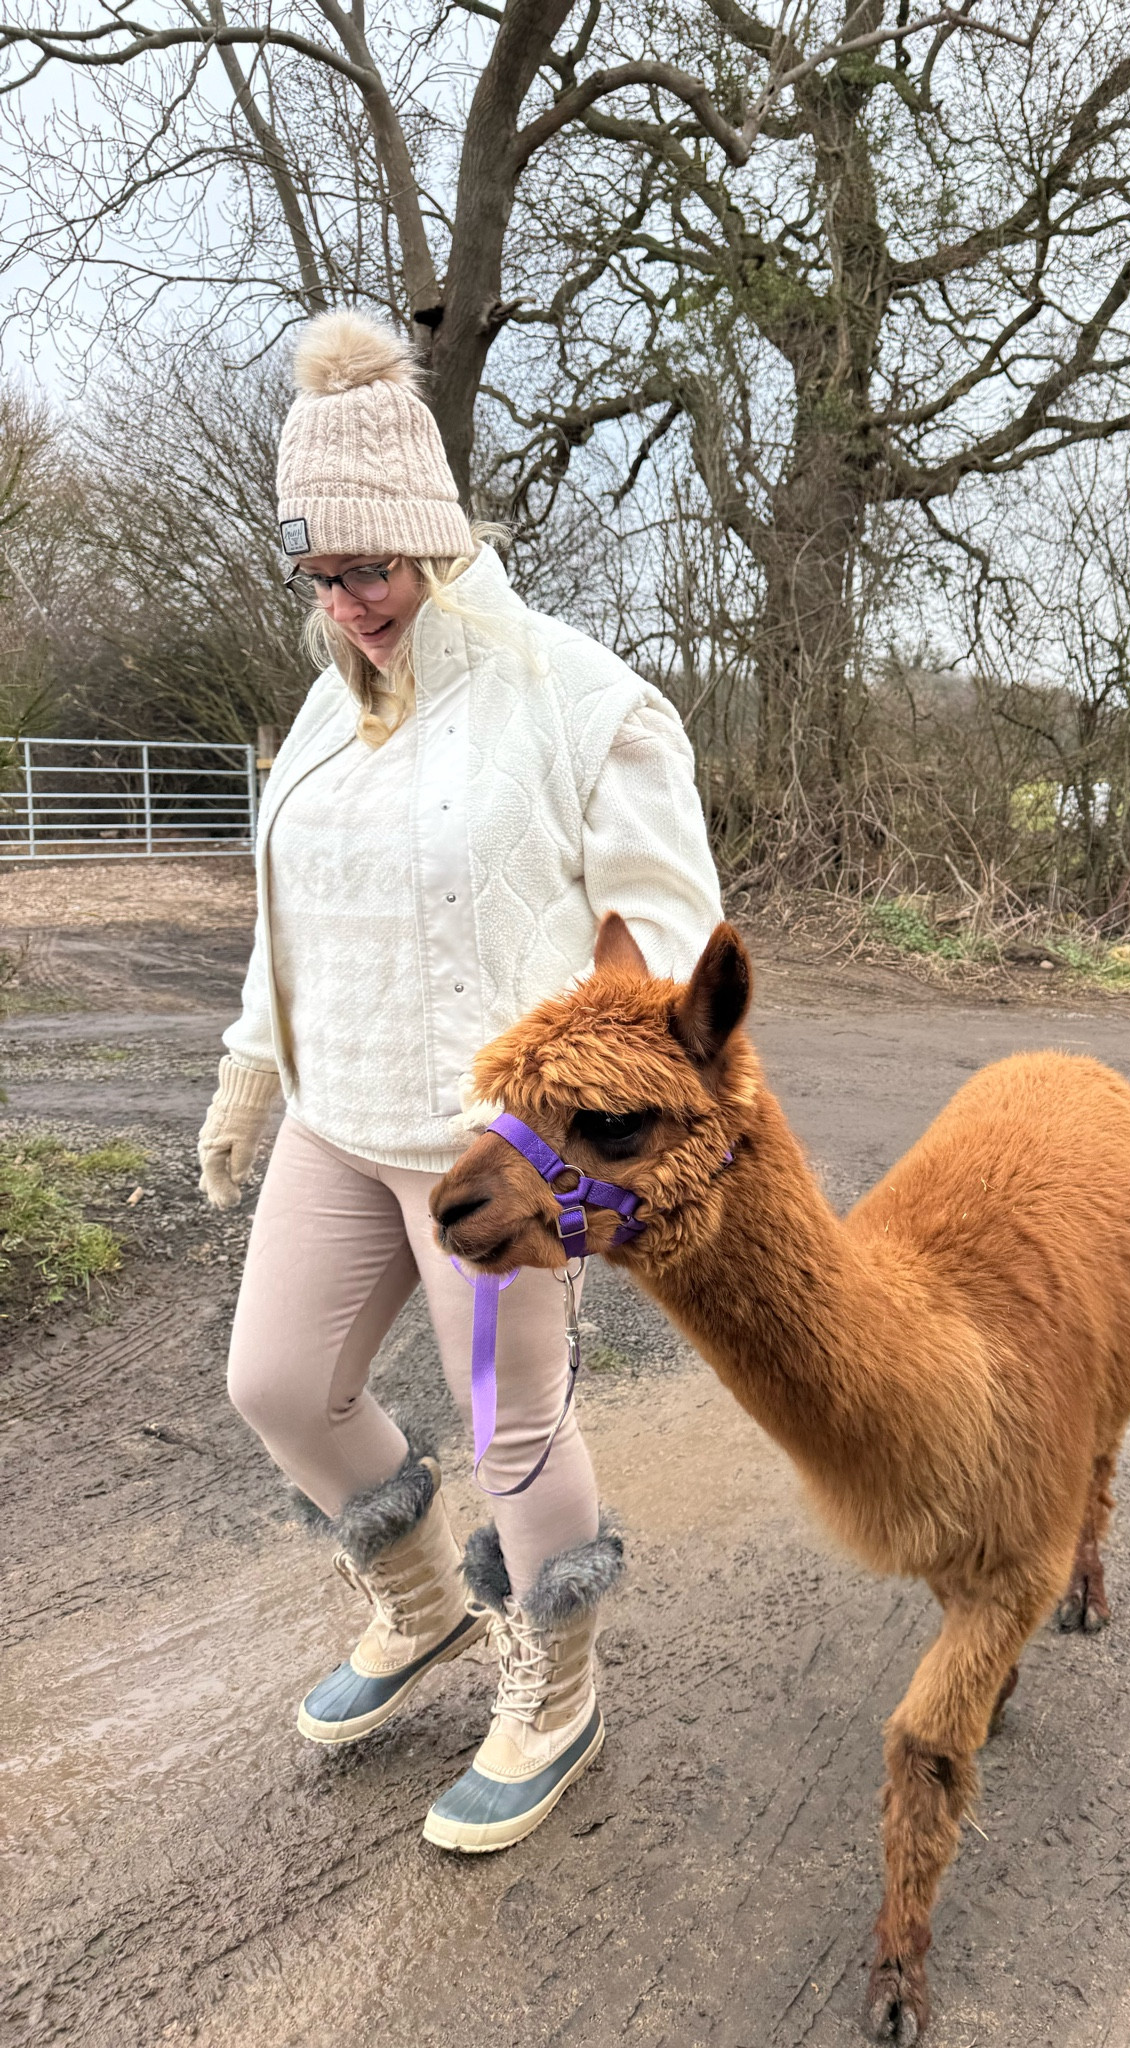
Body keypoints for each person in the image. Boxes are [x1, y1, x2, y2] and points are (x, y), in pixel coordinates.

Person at [198, 308, 721, 1853]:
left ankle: (555, 1686)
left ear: (435, 533)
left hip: (491, 1153)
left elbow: (670, 946)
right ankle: (417, 1595)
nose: (351, 604)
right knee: (277, 1384)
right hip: (336, 1113)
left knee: (514, 1431)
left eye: (372, 567)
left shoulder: (577, 700)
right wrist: (250, 1070)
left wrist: (587, 1146)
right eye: (321, 577)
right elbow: (289, 906)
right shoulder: (329, 703)